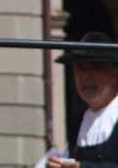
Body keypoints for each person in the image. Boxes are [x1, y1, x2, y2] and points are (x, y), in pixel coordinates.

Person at [48, 33, 118, 168]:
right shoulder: (78, 123)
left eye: (94, 67)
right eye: (80, 68)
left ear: (114, 75)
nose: (85, 76)